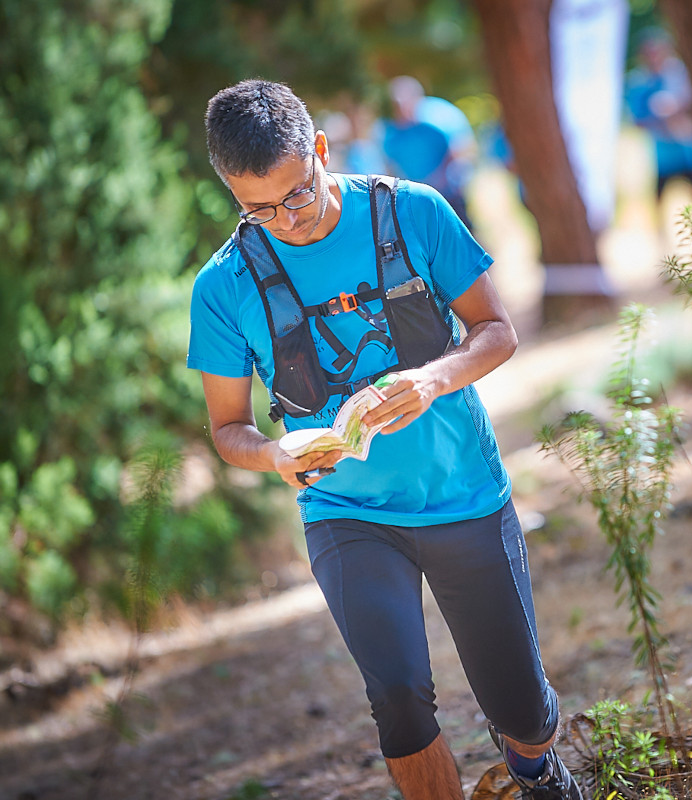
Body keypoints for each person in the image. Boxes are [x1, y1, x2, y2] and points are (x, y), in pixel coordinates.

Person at [188, 79, 582, 800]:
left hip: (462, 491)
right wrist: (273, 454)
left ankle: (535, 768)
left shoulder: (412, 211)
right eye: (259, 209)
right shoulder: (222, 285)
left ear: (322, 151)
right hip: (345, 514)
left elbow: (496, 331)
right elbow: (227, 428)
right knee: (398, 698)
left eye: (298, 194)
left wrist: (433, 380)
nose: (288, 221)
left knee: (520, 707)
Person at [624, 28, 692, 210]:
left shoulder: (679, 74)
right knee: (659, 203)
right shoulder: (638, 82)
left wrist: (678, 111)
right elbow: (637, 120)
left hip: (689, 149)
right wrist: (660, 118)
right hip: (662, 154)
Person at [381, 75, 478, 229]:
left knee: (461, 231)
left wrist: (442, 180)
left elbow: (461, 149)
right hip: (418, 196)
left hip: (449, 190)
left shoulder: (438, 118)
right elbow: (390, 165)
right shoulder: (393, 132)